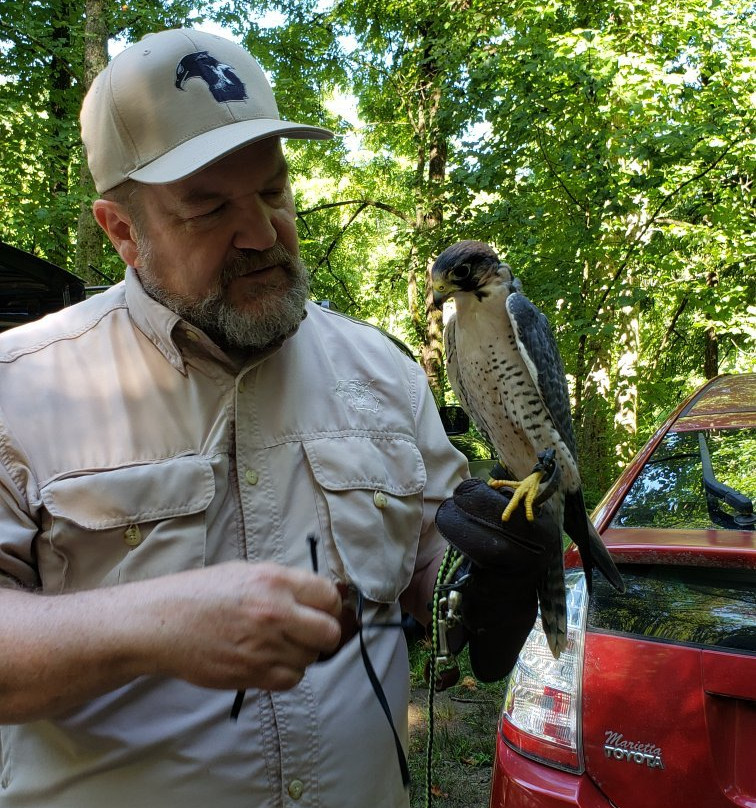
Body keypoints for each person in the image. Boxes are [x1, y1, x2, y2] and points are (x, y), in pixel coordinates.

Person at [0, 28, 555, 808]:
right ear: (121, 231)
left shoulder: (386, 373)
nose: (262, 233)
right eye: (208, 208)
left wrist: (488, 576)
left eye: (273, 191)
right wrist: (149, 623)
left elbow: (433, 573)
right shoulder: (18, 388)